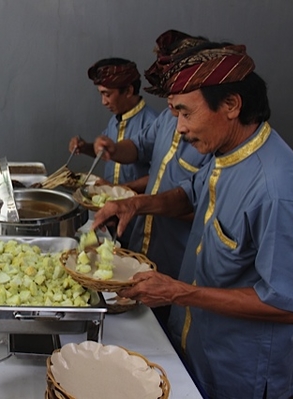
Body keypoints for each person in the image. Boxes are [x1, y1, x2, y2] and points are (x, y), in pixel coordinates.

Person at [93, 42, 293, 398]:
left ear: (232, 105)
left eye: (186, 114)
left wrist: (181, 292)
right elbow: (189, 193)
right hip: (196, 345)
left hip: (239, 371)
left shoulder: (276, 187)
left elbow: (287, 304)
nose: (179, 129)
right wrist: (136, 204)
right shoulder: (227, 153)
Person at [91, 31, 212, 326]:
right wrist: (115, 149)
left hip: (177, 255)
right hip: (145, 242)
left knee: (170, 323)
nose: (171, 103)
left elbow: (201, 206)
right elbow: (140, 148)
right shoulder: (166, 119)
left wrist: (136, 201)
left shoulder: (213, 139)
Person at [70, 57, 158, 247]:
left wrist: (119, 192)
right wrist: (85, 147)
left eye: (107, 94)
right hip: (112, 212)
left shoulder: (152, 124)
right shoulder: (116, 120)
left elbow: (160, 177)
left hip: (137, 218)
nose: (103, 102)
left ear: (128, 91)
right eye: (100, 94)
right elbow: (105, 152)